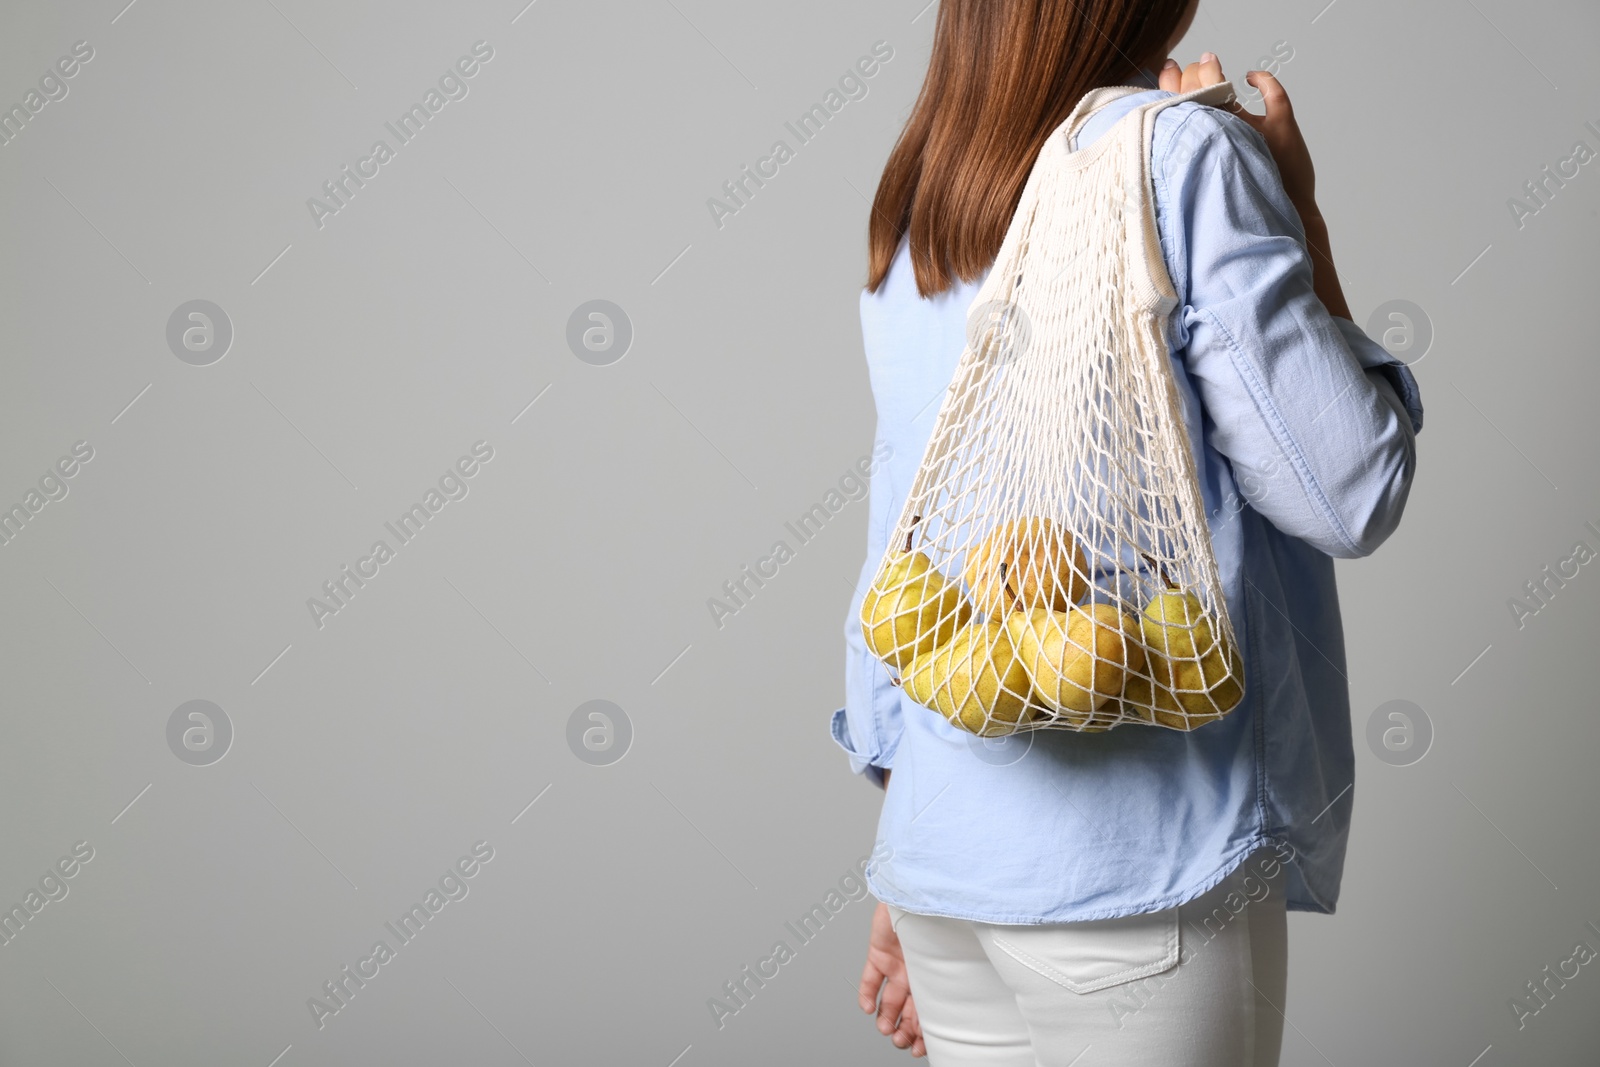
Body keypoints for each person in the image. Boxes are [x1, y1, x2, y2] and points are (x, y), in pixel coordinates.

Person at [832, 2, 1424, 1064]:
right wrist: (1299, 216)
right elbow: (1352, 487)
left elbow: (903, 532)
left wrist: (902, 843)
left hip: (945, 871)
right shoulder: (1182, 152)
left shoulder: (925, 184)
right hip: (1141, 881)